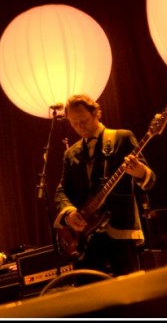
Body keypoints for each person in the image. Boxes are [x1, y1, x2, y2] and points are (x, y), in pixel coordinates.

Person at [53, 94, 156, 278]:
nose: (80, 127)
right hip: (86, 237)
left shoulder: (121, 137)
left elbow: (150, 180)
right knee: (91, 293)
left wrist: (139, 171)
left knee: (129, 292)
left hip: (120, 229)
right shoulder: (71, 153)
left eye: (83, 120)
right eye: (74, 123)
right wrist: (69, 214)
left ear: (95, 113)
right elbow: (62, 190)